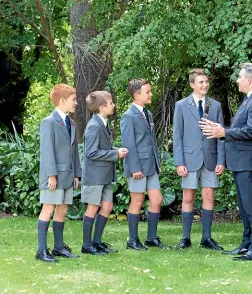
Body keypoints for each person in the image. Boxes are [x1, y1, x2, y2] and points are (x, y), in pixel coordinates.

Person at [200, 63, 252, 261]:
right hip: (242, 161)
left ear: (249, 80)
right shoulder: (250, 99)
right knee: (244, 205)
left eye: (239, 77)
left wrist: (224, 132)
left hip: (250, 160)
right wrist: (220, 128)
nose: (237, 80)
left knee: (251, 205)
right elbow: (241, 127)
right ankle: (246, 245)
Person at [173, 68, 225, 250]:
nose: (205, 85)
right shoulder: (181, 105)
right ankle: (185, 238)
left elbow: (220, 136)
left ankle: (207, 238)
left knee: (209, 195)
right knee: (188, 197)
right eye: (200, 82)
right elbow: (177, 136)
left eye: (206, 81)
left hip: (210, 158)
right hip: (189, 159)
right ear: (192, 84)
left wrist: (221, 160)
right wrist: (179, 162)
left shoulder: (215, 106)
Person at [35, 84, 81, 263]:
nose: (76, 103)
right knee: (48, 209)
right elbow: (46, 151)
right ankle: (41, 250)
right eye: (73, 100)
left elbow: (75, 151)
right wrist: (51, 175)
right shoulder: (48, 122)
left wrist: (77, 173)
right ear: (62, 101)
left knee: (62, 209)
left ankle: (59, 247)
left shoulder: (72, 123)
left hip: (68, 175)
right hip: (53, 176)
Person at [121, 78, 168, 250]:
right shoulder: (128, 116)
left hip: (151, 166)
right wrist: (135, 168)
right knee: (138, 200)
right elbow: (129, 144)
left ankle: (151, 238)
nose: (150, 94)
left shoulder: (147, 114)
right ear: (136, 94)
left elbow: (152, 141)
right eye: (147, 92)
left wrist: (157, 161)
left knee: (157, 199)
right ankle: (132, 240)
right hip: (138, 167)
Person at [81, 91, 128, 255]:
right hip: (95, 175)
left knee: (107, 206)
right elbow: (91, 153)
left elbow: (103, 149)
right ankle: (87, 245)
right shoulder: (94, 126)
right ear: (102, 107)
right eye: (111, 103)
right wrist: (116, 155)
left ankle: (97, 242)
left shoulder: (103, 123)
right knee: (92, 208)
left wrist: (116, 150)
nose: (113, 105)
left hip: (105, 175)